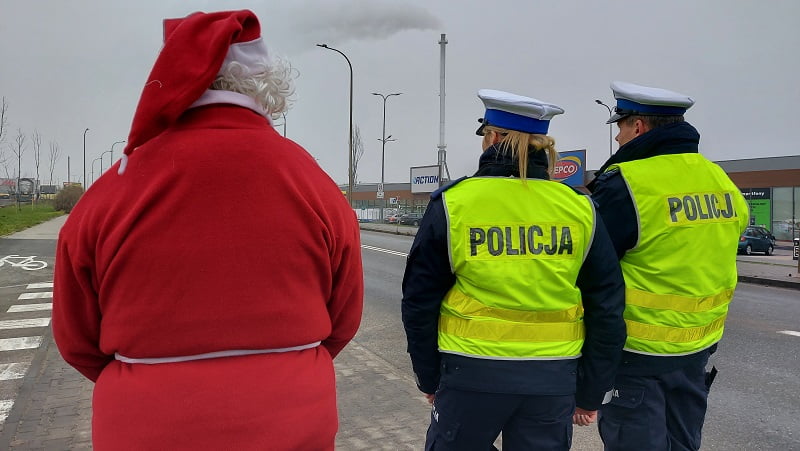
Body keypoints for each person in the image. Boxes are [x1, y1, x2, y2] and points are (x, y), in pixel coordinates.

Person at [52, 10, 363, 450]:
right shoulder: (314, 184)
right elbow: (343, 320)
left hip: (148, 430)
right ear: (265, 84)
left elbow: (75, 339)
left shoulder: (112, 191)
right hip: (292, 425)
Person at [402, 89, 627, 450]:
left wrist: (428, 378)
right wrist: (591, 391)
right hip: (552, 378)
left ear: (493, 138)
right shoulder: (580, 209)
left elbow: (419, 301)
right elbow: (607, 307)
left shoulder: (455, 203)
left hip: (470, 372)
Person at [588, 81, 749, 450]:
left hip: (638, 355)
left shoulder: (627, 184)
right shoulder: (719, 178)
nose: (617, 138)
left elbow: (592, 269)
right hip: (698, 348)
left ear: (638, 127)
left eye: (620, 127)